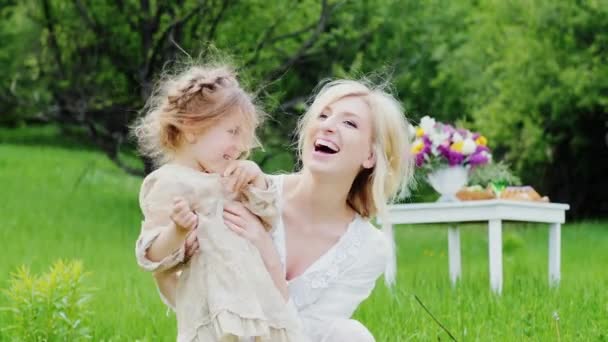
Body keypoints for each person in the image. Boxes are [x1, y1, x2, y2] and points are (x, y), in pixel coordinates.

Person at [154, 79, 414, 341]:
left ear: (370, 156)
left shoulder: (369, 248)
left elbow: (304, 335)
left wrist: (266, 250)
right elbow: (192, 294)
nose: (328, 126)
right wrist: (172, 259)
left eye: (349, 123)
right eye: (323, 115)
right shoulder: (249, 191)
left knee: (353, 336)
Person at [132, 64, 304, 341]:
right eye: (233, 132)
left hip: (258, 306)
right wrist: (177, 231)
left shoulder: (229, 176)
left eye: (244, 136)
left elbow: (269, 218)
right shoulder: (169, 183)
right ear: (192, 128)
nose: (241, 145)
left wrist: (257, 180)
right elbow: (151, 255)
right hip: (212, 311)